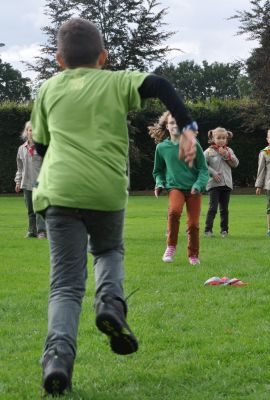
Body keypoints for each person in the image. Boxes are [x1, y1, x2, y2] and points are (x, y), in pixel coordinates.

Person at [31, 18, 198, 395]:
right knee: (107, 250)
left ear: (59, 60)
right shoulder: (116, 81)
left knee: (65, 286)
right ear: (103, 57)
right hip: (104, 190)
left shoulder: (46, 89)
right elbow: (159, 84)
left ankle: (57, 357)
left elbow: (40, 146)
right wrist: (187, 128)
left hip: (58, 192)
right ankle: (110, 302)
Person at [150, 112, 208, 264]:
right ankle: (171, 246)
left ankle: (193, 255)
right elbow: (158, 171)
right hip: (174, 187)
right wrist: (159, 184)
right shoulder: (161, 148)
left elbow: (203, 169)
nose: (175, 125)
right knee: (174, 211)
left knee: (193, 224)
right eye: (172, 123)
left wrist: (198, 185)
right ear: (166, 126)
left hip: (194, 189)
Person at [203, 127, 239, 237]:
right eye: (218, 138)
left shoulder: (229, 151)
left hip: (226, 184)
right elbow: (202, 165)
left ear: (227, 139)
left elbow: (236, 164)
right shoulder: (208, 152)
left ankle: (224, 230)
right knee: (212, 208)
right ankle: (208, 230)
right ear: (213, 138)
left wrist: (226, 155)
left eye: (224, 138)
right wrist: (212, 173)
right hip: (213, 185)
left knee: (224, 209)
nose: (221, 140)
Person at [14, 121, 47, 239]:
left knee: (39, 208)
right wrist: (18, 181)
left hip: (39, 183)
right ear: (26, 132)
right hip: (26, 183)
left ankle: (42, 231)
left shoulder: (42, 149)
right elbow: (20, 168)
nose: (32, 132)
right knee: (30, 210)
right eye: (30, 130)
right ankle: (31, 231)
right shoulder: (21, 149)